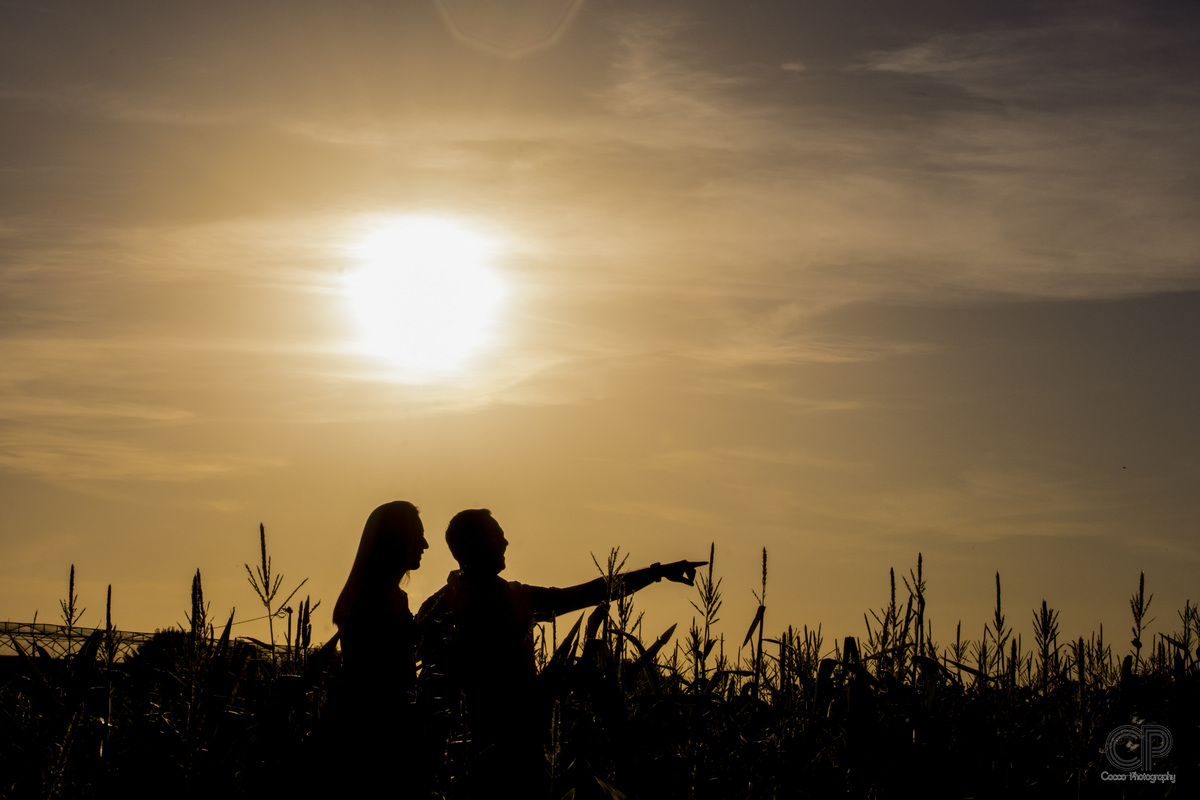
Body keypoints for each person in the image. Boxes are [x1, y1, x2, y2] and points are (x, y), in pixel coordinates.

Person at [415, 508, 703, 792]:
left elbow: (590, 593)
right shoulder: (442, 610)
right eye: (496, 535)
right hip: (471, 759)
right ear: (474, 544)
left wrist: (656, 573)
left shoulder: (511, 597)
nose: (505, 542)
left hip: (524, 751)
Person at [327, 500, 429, 796]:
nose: (424, 544)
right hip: (376, 733)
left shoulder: (379, 596)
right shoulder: (375, 601)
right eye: (417, 536)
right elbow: (382, 676)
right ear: (396, 540)